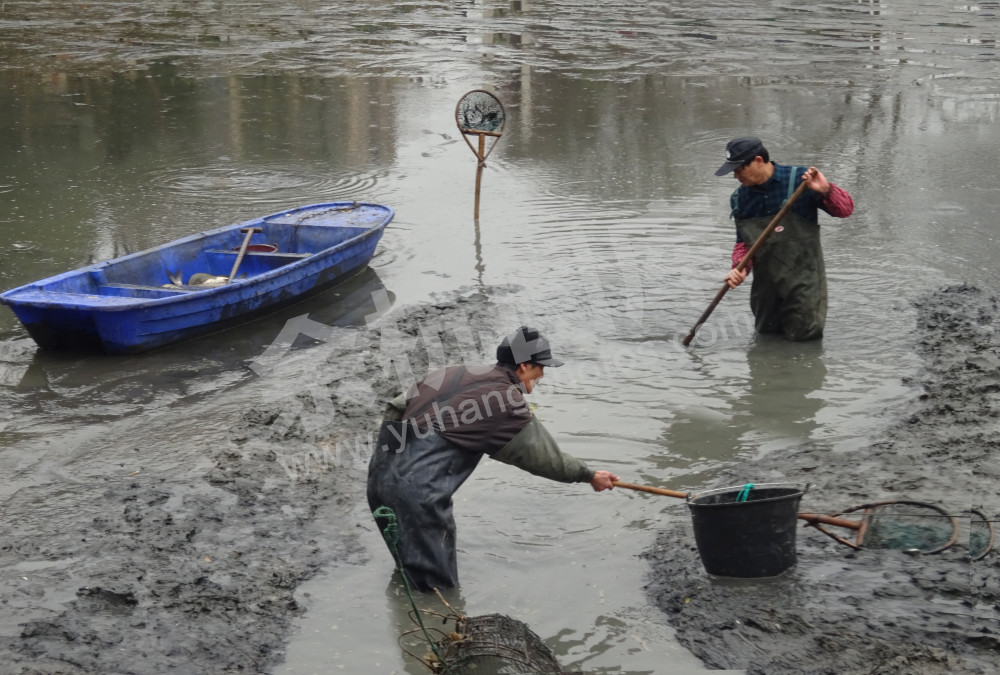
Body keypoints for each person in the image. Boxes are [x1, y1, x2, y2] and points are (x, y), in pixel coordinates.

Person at [366, 326, 619, 592]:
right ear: (524, 366)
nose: (542, 375)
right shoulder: (506, 400)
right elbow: (545, 458)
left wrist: (390, 470)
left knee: (408, 572)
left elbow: (395, 407)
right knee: (438, 592)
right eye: (541, 368)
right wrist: (588, 475)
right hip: (418, 497)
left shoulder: (453, 372)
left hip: (378, 482)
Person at [715, 136, 854, 341]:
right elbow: (743, 244)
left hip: (804, 286)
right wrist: (739, 269)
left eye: (738, 169)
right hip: (765, 291)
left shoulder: (802, 181)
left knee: (805, 342)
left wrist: (827, 190)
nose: (735, 176)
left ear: (758, 161)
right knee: (766, 342)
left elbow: (845, 210)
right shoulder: (739, 199)